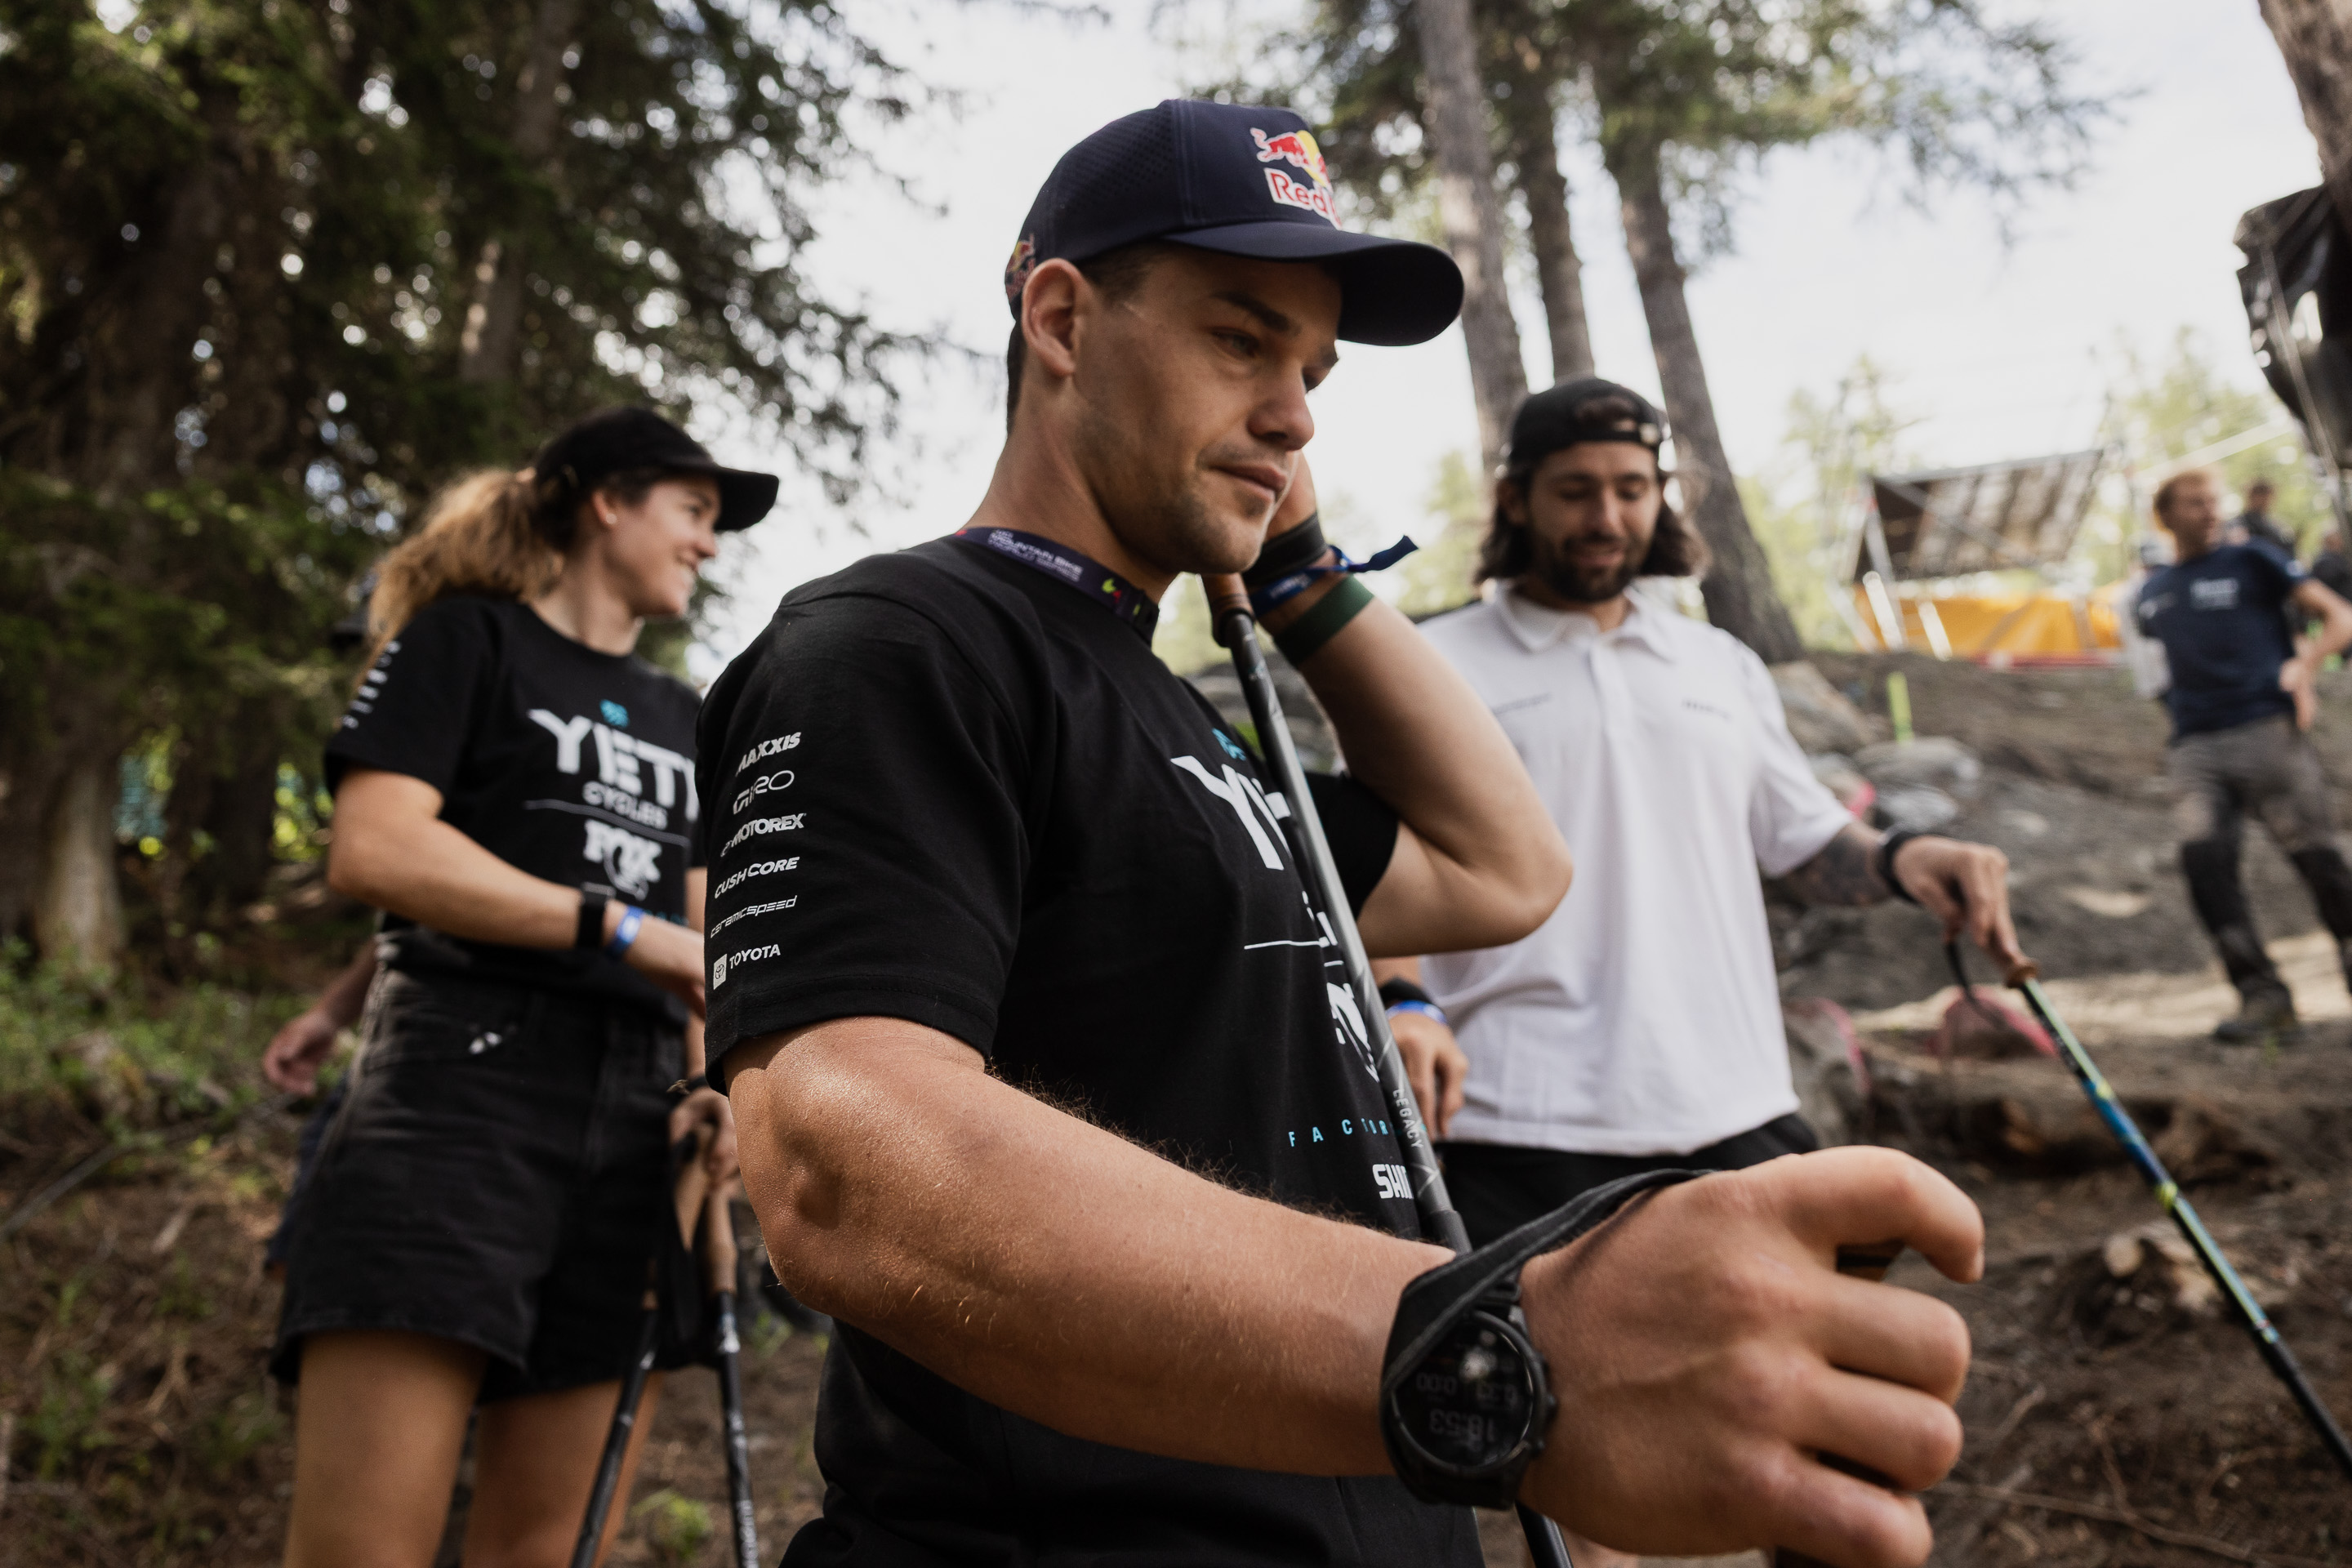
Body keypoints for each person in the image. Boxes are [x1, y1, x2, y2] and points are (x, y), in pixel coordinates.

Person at [702, 102, 1982, 1568]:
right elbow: (838, 1163)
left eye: (1311, 372)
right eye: (1240, 341)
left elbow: (1508, 867)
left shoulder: (1183, 715)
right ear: (1060, 317)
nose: (1298, 411)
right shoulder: (901, 641)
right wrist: (1492, 1343)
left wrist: (1303, 576)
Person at [271, 407, 771, 1568]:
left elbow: (699, 940)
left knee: (544, 1552)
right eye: (694, 512)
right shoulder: (465, 644)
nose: (710, 543)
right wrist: (616, 930)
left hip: (636, 1135)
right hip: (452, 1104)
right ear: (609, 500)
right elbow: (380, 850)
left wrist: (718, 1093)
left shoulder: (684, 721)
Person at [1371, 375, 2020, 1257]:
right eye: (1575, 490)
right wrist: (1402, 999)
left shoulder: (1721, 664)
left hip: (1739, 1106)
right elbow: (1369, 868)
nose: (1607, 515)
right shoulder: (1424, 662)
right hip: (1512, 1120)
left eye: (1631, 489)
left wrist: (1906, 856)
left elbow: (1804, 841)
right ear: (1516, 501)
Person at [2135, 467, 2352, 1040]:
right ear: (2167, 515)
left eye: (2214, 500)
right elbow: (2155, 676)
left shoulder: (2254, 559)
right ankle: (2263, 998)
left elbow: (2339, 617)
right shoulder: (2151, 595)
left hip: (2266, 732)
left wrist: (2301, 669)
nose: (2210, 511)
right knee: (2205, 865)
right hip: (2193, 746)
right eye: (2194, 503)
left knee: (2320, 860)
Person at [2230, 477, 2295, 555]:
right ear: (2250, 496)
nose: (2263, 500)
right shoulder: (2238, 523)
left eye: (2266, 495)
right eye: (2258, 494)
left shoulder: (2277, 527)